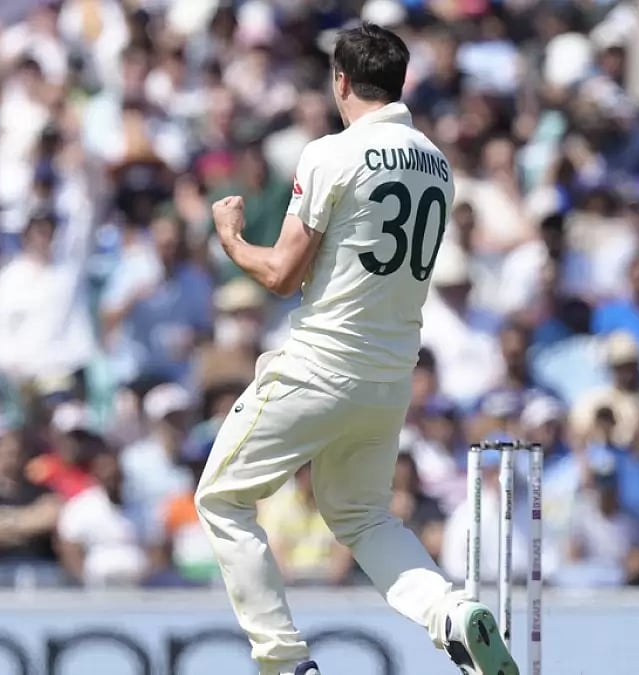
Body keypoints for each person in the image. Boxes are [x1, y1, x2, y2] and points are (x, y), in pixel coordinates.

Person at [194, 22, 515, 675]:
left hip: (321, 361)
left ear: (341, 81)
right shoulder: (438, 163)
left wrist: (229, 237)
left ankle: (283, 661)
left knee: (221, 498)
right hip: (390, 375)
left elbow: (282, 275)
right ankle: (451, 613)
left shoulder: (330, 153)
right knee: (366, 518)